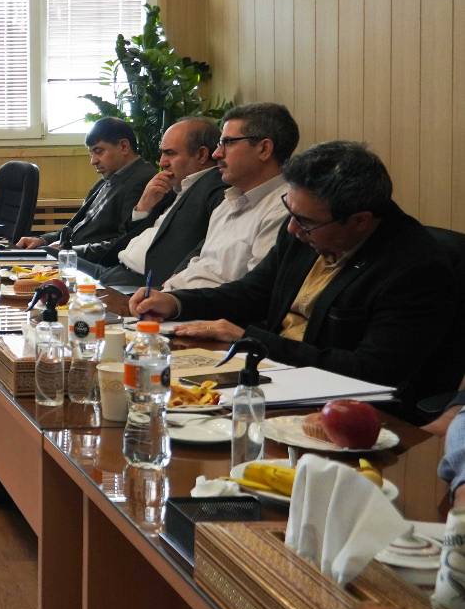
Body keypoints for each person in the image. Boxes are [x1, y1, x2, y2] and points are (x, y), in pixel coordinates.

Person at [130, 141, 451, 410]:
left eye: (305, 221)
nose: (292, 229)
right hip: (273, 377)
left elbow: (373, 371)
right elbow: (252, 292)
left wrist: (253, 340)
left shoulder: (414, 267)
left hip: (340, 406)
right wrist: (175, 302)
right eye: (290, 211)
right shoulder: (307, 227)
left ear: (360, 221)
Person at [157, 102, 295, 291]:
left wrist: (176, 302)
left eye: (228, 143)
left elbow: (253, 294)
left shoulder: (284, 210)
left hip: (200, 307)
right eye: (219, 144)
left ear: (264, 149)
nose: (216, 154)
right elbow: (201, 266)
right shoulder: (227, 202)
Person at [76, 117, 224, 291]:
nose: (162, 162)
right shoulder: (173, 188)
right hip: (115, 270)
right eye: (162, 153)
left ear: (201, 155)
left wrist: (163, 294)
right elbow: (131, 236)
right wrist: (143, 207)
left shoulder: (214, 190)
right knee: (56, 260)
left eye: (170, 153)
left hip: (139, 285)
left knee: (60, 263)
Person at [17, 117, 157, 252]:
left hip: (90, 264)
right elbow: (75, 229)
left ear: (124, 146)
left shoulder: (143, 180)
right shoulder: (107, 180)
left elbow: (124, 243)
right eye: (91, 154)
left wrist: (68, 252)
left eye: (98, 151)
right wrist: (43, 240)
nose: (93, 161)